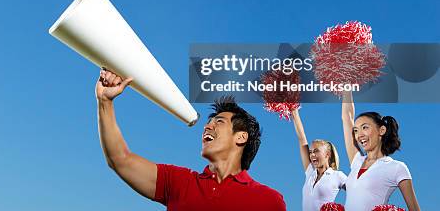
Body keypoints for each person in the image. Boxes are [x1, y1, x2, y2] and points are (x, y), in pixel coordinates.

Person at [96, 67, 286, 211]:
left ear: (241, 137)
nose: (207, 126)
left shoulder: (269, 201)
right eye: (209, 122)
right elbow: (120, 160)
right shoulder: (179, 182)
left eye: (219, 121)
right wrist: (105, 102)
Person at [341, 91, 420, 211]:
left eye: (365, 127)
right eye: (356, 130)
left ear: (381, 130)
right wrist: (347, 84)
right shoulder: (356, 161)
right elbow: (347, 117)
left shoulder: (397, 168)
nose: (359, 135)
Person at [290, 108, 346, 211]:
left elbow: (357, 192)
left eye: (316, 151)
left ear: (327, 154)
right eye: (310, 152)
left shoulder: (337, 176)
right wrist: (294, 110)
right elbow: (302, 139)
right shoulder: (310, 172)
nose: (312, 155)